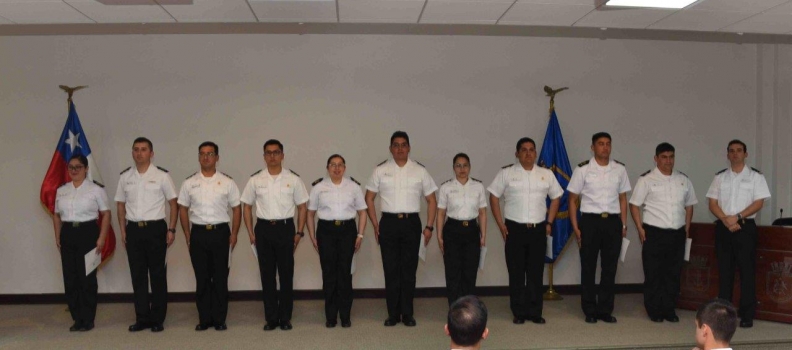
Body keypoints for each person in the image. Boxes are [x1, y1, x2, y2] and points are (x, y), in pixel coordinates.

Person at [365, 131, 438, 327]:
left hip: (411, 224)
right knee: (390, 270)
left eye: (403, 145)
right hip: (388, 224)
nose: (399, 149)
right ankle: (392, 314)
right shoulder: (380, 170)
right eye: (395, 145)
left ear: (409, 148)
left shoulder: (420, 171)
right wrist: (375, 224)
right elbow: (369, 198)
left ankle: (407, 314)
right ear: (390, 148)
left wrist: (429, 226)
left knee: (408, 271)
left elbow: (432, 200)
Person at [488, 138, 563, 324]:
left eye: (531, 150)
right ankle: (519, 312)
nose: (528, 153)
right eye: (524, 150)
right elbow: (493, 197)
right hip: (515, 229)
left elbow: (556, 197)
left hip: (538, 230)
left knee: (536, 272)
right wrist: (500, 224)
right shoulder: (506, 173)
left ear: (536, 153)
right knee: (516, 272)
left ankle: (535, 312)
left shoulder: (546, 174)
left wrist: (550, 222)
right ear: (517, 154)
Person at [241, 139, 308, 331]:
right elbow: (246, 206)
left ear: (282, 155)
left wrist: (299, 232)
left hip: (286, 229)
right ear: (264, 156)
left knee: (286, 274)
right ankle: (271, 318)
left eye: (276, 152)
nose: (272, 156)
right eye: (268, 153)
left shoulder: (293, 179)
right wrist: (250, 231)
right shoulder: (255, 179)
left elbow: (302, 207)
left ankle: (285, 317)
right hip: (263, 230)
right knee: (267, 275)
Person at [629, 142, 698, 323]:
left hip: (676, 233)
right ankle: (654, 309)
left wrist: (687, 227)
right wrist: (639, 228)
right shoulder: (646, 180)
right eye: (664, 157)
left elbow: (689, 205)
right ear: (656, 159)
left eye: (671, 157)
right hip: (654, 233)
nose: (668, 161)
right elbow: (634, 205)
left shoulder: (683, 180)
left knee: (673, 273)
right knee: (653, 273)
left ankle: (669, 309)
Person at [115, 137, 178, 333]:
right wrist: (123, 230)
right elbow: (120, 205)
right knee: (138, 276)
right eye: (136, 149)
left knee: (158, 275)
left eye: (143, 149)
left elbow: (173, 204)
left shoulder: (162, 176)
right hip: (133, 230)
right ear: (132, 153)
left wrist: (172, 229)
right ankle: (142, 318)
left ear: (151, 153)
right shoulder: (125, 177)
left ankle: (157, 318)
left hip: (156, 229)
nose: (139, 153)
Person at [706, 139, 771, 328]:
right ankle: (724, 315)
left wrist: (738, 217)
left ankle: (747, 314)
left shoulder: (756, 177)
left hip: (745, 228)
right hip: (724, 228)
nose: (735, 154)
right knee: (725, 272)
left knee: (747, 272)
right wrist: (727, 219)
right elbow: (712, 203)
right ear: (727, 155)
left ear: (746, 154)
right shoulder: (720, 177)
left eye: (739, 151)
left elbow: (759, 203)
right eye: (731, 151)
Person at [177, 142, 241, 331]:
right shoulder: (189, 183)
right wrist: (188, 234)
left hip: (221, 233)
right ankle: (204, 319)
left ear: (217, 158)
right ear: (198, 157)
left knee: (220, 278)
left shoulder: (228, 182)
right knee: (202, 278)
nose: (206, 157)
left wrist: (234, 234)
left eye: (210, 154)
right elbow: (182, 209)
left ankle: (220, 319)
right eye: (202, 154)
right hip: (198, 234)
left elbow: (237, 209)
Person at [568, 132, 631, 324]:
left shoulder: (619, 169)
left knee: (609, 268)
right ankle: (589, 309)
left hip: (612, 222)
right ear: (592, 147)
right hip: (590, 222)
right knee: (588, 267)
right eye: (601, 144)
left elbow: (623, 199)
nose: (605, 147)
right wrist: (576, 227)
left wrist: (623, 224)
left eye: (608, 144)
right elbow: (572, 200)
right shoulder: (583, 169)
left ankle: (605, 309)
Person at [306, 154, 367, 328]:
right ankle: (331, 316)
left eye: (340, 164)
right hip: (326, 231)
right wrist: (312, 236)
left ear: (345, 168)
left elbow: (362, 212)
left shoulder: (353, 187)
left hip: (348, 231)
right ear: (327, 167)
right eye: (333, 165)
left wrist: (360, 235)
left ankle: (345, 316)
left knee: (345, 275)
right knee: (329, 274)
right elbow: (310, 214)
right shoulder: (319, 187)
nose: (337, 168)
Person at [52, 154, 111, 332]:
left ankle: (88, 318)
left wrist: (101, 238)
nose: (74, 170)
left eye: (78, 167)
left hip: (88, 233)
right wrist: (57, 236)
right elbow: (56, 215)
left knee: (87, 279)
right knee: (70, 278)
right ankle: (77, 318)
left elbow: (106, 214)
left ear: (86, 169)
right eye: (71, 167)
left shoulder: (96, 190)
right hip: (68, 233)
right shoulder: (62, 190)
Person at [437, 153, 487, 306]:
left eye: (465, 165)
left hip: (472, 230)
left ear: (470, 167)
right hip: (452, 230)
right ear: (453, 168)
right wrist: (439, 236)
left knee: (470, 271)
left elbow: (483, 213)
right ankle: (454, 307)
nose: (462, 169)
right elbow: (441, 213)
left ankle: (469, 307)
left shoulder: (478, 187)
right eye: (458, 165)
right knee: (453, 272)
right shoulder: (446, 187)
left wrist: (483, 235)